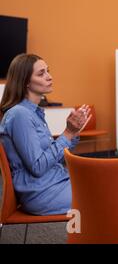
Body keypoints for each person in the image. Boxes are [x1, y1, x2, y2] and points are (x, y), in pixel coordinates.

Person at [0, 54, 91, 215]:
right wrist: (68, 133)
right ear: (25, 81)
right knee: (109, 195)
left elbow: (57, 158)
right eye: (41, 73)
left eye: (48, 71)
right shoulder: (19, 115)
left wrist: (73, 132)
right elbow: (38, 166)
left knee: (111, 187)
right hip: (42, 192)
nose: (49, 77)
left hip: (55, 181)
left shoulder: (34, 113)